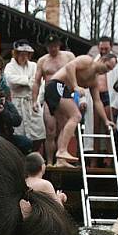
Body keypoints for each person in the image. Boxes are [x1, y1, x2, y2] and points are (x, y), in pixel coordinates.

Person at [43, 53, 118, 167]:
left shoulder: (94, 81)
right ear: (102, 60)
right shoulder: (87, 60)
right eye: (107, 67)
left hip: (63, 91)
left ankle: (60, 160)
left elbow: (97, 101)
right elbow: (70, 66)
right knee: (76, 116)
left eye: (110, 70)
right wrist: (75, 86)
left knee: (65, 125)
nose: (106, 71)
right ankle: (62, 150)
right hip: (56, 85)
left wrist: (106, 120)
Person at [32, 34, 76, 162]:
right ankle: (50, 161)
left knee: (64, 127)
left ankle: (61, 160)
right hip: (50, 95)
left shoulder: (69, 57)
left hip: (65, 94)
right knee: (50, 130)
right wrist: (34, 100)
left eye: (55, 46)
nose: (53, 49)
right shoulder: (42, 60)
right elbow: (36, 81)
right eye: (50, 46)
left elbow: (76, 74)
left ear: (59, 45)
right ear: (47, 47)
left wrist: (77, 90)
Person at [3, 40, 45, 147]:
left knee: (38, 130)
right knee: (18, 131)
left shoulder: (34, 66)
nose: (24, 56)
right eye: (21, 54)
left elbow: (38, 82)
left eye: (26, 54)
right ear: (16, 54)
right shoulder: (9, 67)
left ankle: (34, 153)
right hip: (17, 102)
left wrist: (37, 99)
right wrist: (27, 80)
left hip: (32, 102)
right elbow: (10, 81)